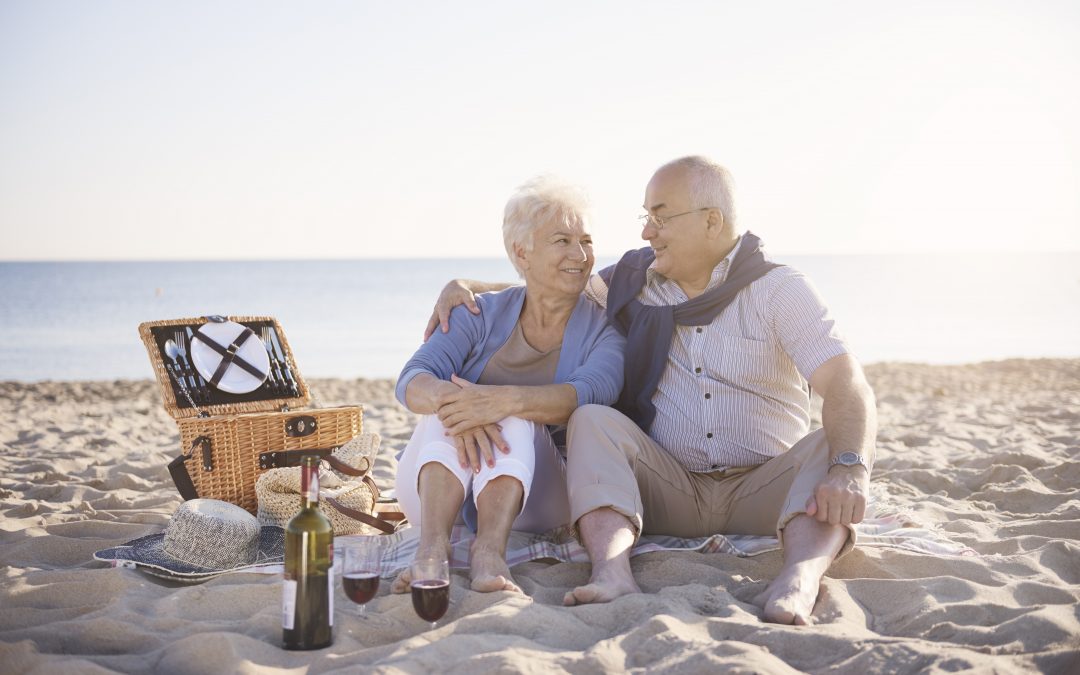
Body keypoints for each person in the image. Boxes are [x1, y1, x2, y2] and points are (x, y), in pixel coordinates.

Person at [424, 156, 877, 624]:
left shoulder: (780, 290)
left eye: (660, 217)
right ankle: (611, 571)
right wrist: (467, 285)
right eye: (646, 218)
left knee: (836, 442)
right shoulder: (635, 282)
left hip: (766, 490)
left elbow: (845, 382)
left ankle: (798, 578)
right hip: (669, 490)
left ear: (711, 221)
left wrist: (850, 468)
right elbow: (552, 283)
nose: (647, 232)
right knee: (593, 418)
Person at [393, 175, 624, 595]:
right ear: (522, 252)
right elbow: (412, 379)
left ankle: (489, 552)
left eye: (586, 241)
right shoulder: (477, 313)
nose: (580, 254)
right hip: (433, 494)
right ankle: (431, 548)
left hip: (539, 498)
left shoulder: (604, 327)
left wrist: (498, 402)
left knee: (516, 417)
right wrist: (458, 403)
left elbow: (593, 393)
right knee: (446, 404)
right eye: (562, 240)